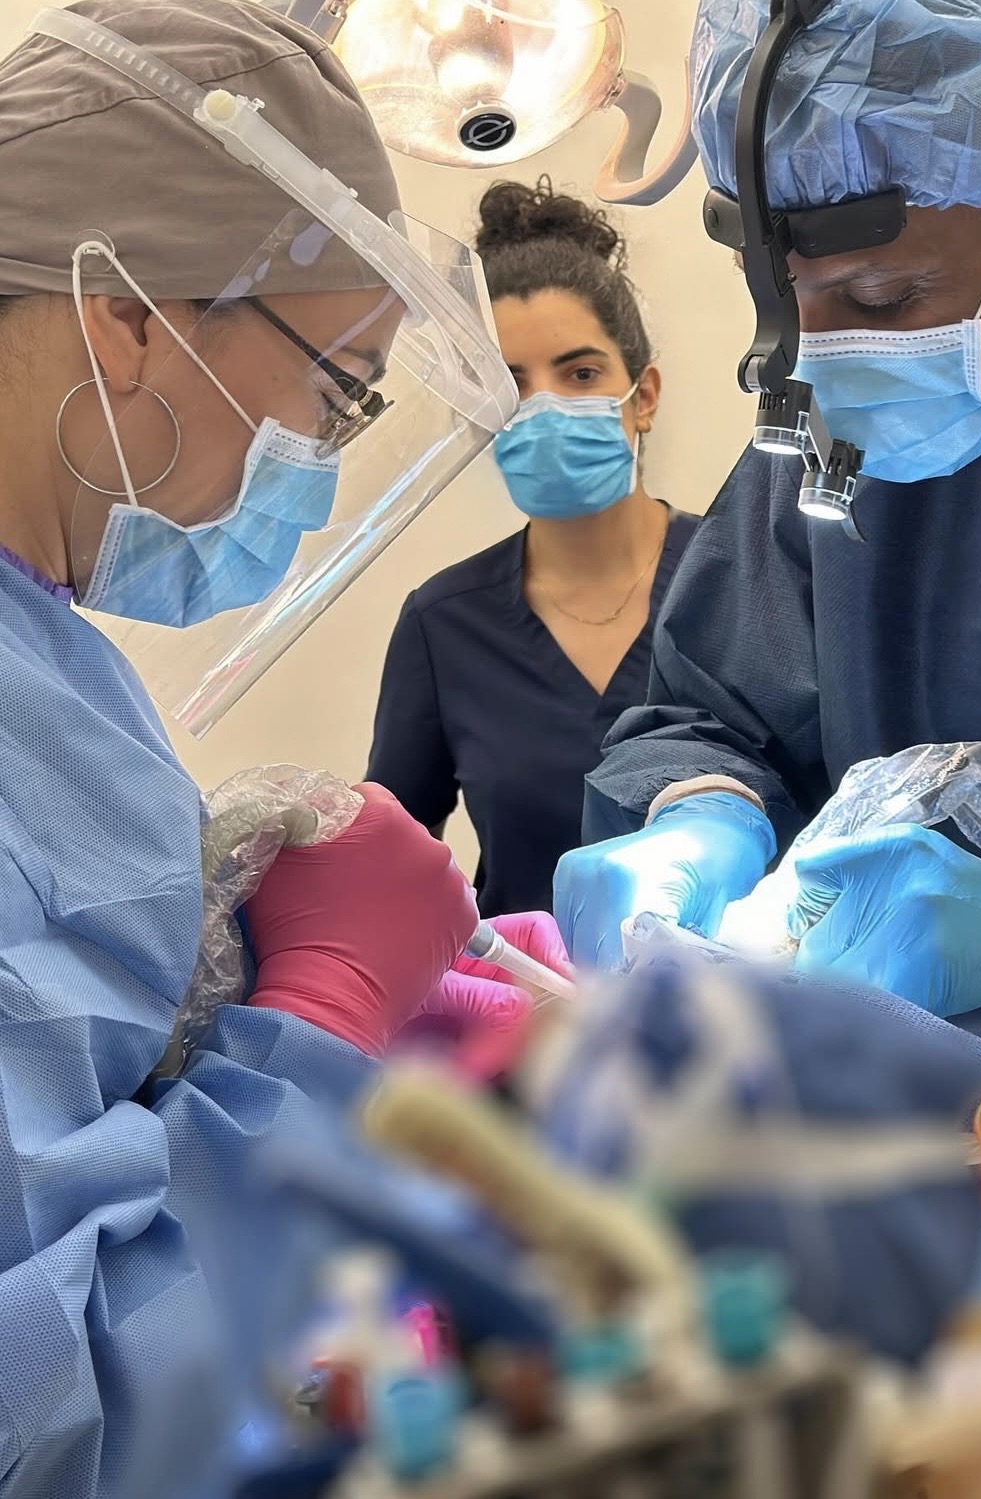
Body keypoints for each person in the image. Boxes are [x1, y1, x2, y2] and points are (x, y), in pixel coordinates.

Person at [0, 3, 565, 1494]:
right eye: (335, 389)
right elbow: (71, 1416)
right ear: (127, 315)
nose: (316, 459)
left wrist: (212, 978)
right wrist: (317, 1010)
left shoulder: (49, 662)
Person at [555, 0, 981, 1252]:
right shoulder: (845, 413)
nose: (831, 368)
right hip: (915, 1270)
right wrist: (697, 815)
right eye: (795, 309)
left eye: (886, 294)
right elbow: (708, 701)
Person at [367, 179, 699, 917]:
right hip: (529, 1017)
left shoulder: (743, 579)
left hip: (751, 1009)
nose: (543, 404)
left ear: (642, 396)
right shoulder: (444, 624)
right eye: (508, 384)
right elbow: (385, 869)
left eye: (580, 374)